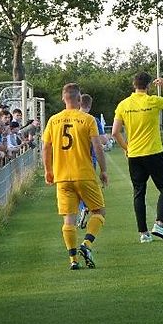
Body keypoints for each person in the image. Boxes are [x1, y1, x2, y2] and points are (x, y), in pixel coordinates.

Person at [112, 72, 163, 243]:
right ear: (149, 85)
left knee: (139, 193)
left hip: (134, 155)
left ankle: (143, 233)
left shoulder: (123, 105)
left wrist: (127, 148)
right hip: (153, 153)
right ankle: (160, 223)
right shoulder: (153, 101)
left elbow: (115, 132)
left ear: (134, 85)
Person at [43, 84, 108, 270]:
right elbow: (97, 146)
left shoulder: (53, 120)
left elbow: (46, 147)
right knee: (99, 211)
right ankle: (86, 245)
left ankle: (73, 260)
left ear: (63, 99)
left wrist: (48, 170)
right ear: (79, 99)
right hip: (84, 174)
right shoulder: (87, 119)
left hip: (62, 177)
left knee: (68, 218)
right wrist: (103, 170)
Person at [76, 93, 109, 229]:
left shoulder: (69, 118)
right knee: (88, 186)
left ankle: (82, 207)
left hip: (71, 159)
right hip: (89, 158)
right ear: (90, 105)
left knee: (74, 187)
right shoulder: (92, 120)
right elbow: (102, 140)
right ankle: (88, 207)